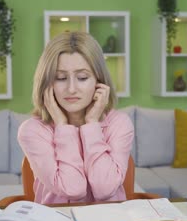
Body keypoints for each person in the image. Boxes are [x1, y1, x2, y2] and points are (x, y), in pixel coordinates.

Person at [18, 31, 134, 204]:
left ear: (99, 81)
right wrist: (62, 126)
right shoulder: (32, 130)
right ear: (47, 83)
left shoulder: (119, 123)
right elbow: (73, 189)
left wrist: (92, 124)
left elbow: (105, 190)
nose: (71, 89)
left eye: (82, 77)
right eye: (61, 78)